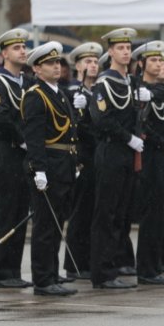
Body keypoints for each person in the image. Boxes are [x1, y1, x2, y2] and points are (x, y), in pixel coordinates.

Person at [20, 42, 79, 296]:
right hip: (48, 166)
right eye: (50, 63)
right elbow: (33, 137)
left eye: (58, 63)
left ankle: (52, 273)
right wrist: (39, 170)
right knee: (45, 226)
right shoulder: (36, 95)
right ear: (37, 68)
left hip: (64, 165)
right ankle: (43, 280)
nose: (56, 67)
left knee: (57, 225)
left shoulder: (59, 92)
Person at [90, 27, 143, 290]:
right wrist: (127, 137)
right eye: (120, 48)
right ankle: (102, 273)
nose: (126, 52)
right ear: (110, 51)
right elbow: (101, 119)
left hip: (126, 154)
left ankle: (114, 265)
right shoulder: (104, 83)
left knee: (121, 214)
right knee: (106, 213)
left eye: (128, 48)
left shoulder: (131, 83)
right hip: (111, 151)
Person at [0, 28, 33, 289]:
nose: (22, 51)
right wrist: (22, 136)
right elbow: (0, 117)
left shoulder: (25, 83)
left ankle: (13, 270)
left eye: (24, 47)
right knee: (4, 212)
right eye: (16, 48)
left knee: (19, 211)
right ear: (4, 53)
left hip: (22, 154)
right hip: (5, 151)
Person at [132, 40, 164, 286]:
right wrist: (162, 142)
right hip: (146, 157)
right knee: (149, 213)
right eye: (154, 60)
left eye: (162, 61)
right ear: (141, 64)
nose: (160, 64)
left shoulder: (160, 91)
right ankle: (145, 268)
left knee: (159, 212)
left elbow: (163, 96)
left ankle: (153, 265)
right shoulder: (138, 90)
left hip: (160, 158)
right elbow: (143, 127)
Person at [63, 41, 102, 280]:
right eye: (88, 61)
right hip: (82, 158)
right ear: (78, 65)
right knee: (80, 211)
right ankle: (74, 264)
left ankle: (89, 259)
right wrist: (76, 110)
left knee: (94, 212)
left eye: (96, 61)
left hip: (98, 157)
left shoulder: (97, 93)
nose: (93, 65)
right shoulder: (71, 93)